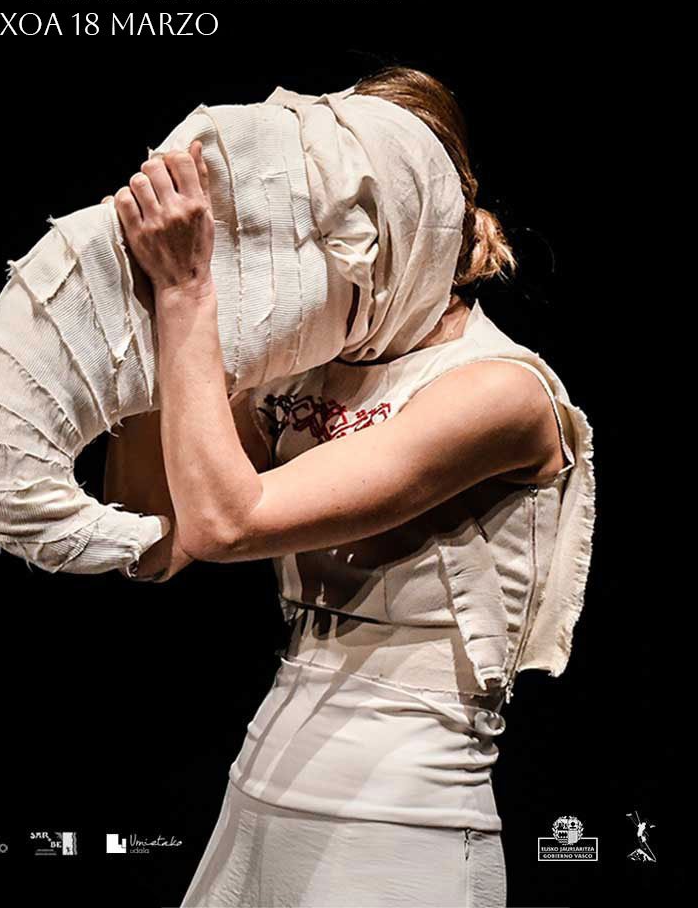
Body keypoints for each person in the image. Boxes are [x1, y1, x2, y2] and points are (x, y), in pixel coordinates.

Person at [103, 68, 595, 908]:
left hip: (399, 823)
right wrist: (152, 311)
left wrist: (187, 294)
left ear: (409, 212)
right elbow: (153, 539)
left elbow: (226, 524)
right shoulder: (314, 367)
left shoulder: (500, 391)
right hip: (261, 787)